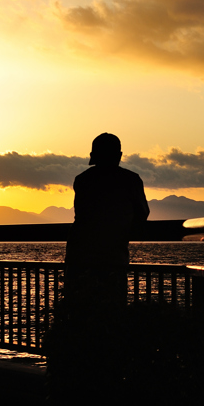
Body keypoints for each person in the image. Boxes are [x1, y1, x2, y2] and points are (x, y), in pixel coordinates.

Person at [64, 133, 150, 316]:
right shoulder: (131, 180)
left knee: (79, 313)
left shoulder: (83, 180)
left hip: (79, 256)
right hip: (113, 257)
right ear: (118, 155)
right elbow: (143, 213)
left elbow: (80, 213)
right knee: (111, 313)